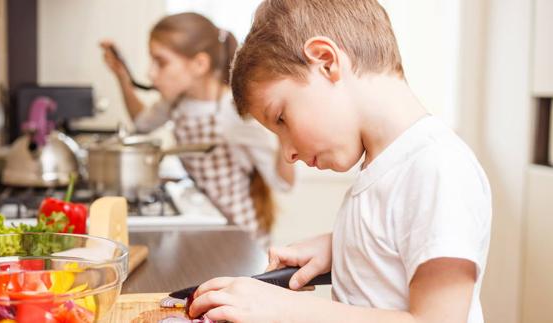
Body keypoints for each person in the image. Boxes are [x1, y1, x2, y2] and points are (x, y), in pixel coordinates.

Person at [187, 1, 492, 322]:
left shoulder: (437, 167)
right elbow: (400, 239)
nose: (288, 153)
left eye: (281, 118)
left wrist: (284, 308)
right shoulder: (388, 167)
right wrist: (343, 248)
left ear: (325, 61)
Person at [100, 13, 295, 245]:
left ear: (199, 64)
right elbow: (142, 123)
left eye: (160, 62)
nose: (150, 74)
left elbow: (282, 183)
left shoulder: (232, 113)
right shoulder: (176, 102)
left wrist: (287, 130)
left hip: (239, 236)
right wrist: (122, 77)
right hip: (205, 227)